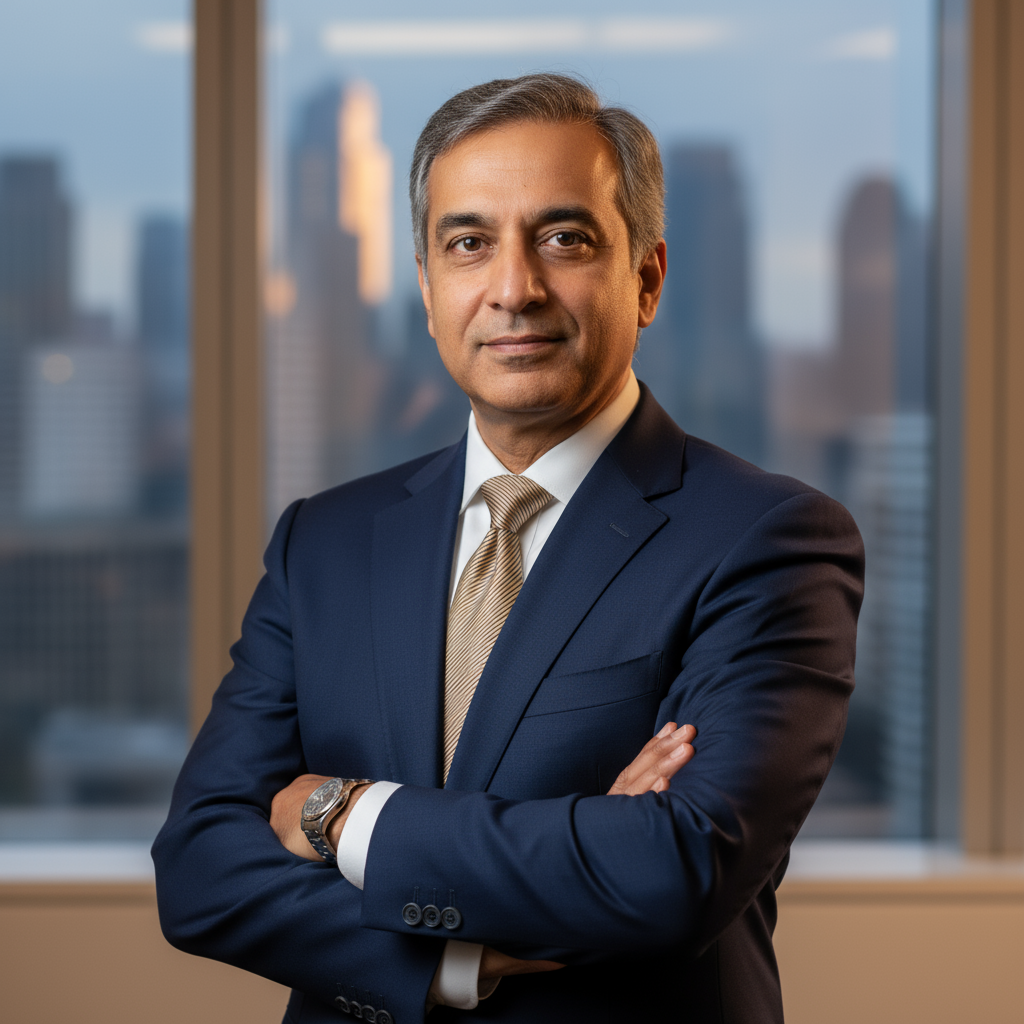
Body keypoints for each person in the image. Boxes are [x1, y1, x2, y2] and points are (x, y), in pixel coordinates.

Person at [153, 74, 864, 1024]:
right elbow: (199, 870)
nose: (514, 289)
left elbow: (677, 867)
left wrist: (340, 813)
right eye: (469, 244)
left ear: (647, 278)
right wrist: (468, 950)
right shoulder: (323, 542)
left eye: (564, 239)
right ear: (427, 287)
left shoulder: (767, 540)